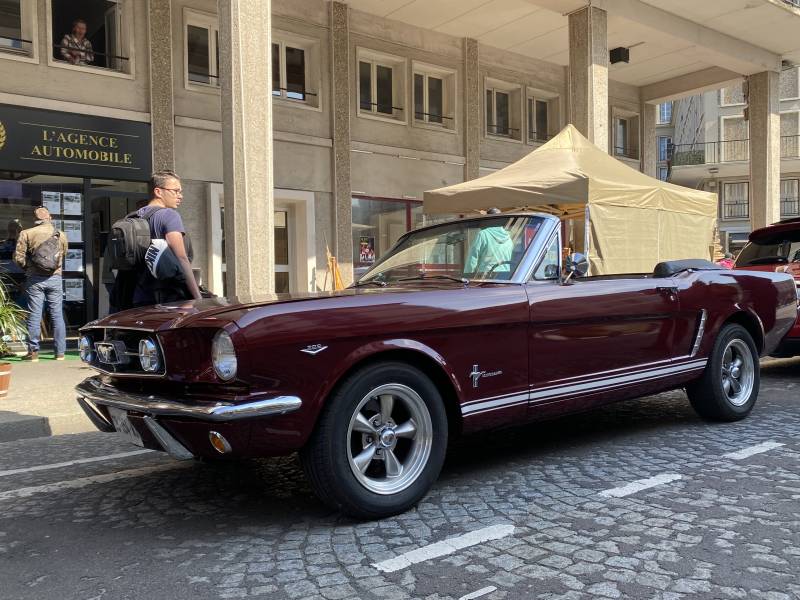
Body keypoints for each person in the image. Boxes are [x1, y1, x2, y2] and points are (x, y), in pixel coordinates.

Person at [129, 170, 201, 307]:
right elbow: (182, 258)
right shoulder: (169, 215)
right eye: (176, 191)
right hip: (167, 297)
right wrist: (197, 297)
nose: (180, 196)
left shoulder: (136, 216)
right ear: (158, 192)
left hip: (139, 296)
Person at [13, 207, 69, 362]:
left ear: (34, 219)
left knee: (34, 314)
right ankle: (60, 353)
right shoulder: (61, 235)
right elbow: (63, 254)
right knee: (57, 314)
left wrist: (29, 268)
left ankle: (34, 353)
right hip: (55, 277)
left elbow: (18, 257)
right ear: (50, 217)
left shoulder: (27, 233)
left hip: (35, 279)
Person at [464, 207, 514, 277]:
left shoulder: (483, 234)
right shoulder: (509, 238)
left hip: (486, 276)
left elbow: (473, 257)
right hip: (505, 277)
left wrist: (467, 275)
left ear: (488, 220)